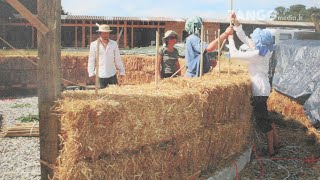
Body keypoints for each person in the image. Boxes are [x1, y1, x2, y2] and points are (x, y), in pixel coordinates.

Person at [227, 13, 281, 157]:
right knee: (266, 117)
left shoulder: (257, 54)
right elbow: (246, 39)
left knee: (263, 121)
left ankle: (271, 151)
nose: (253, 40)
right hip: (264, 87)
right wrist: (236, 24)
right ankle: (276, 143)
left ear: (259, 42)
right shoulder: (266, 50)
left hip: (259, 90)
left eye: (255, 39)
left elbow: (234, 54)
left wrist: (230, 38)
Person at [87, 24, 125, 88]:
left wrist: (122, 71)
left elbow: (118, 59)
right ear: (100, 33)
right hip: (100, 75)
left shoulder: (114, 44)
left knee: (114, 95)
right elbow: (91, 60)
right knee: (102, 95)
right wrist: (91, 73)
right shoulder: (94, 45)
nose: (105, 34)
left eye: (107, 33)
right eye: (104, 33)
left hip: (112, 75)